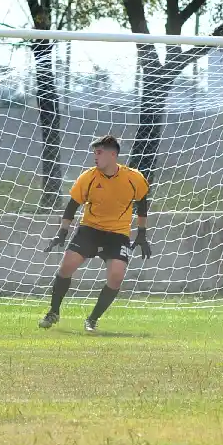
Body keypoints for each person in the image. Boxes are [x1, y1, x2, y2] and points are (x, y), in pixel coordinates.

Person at [39, 134, 150, 333]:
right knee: (66, 267)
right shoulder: (88, 177)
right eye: (94, 153)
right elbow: (72, 206)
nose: (95, 157)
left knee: (116, 277)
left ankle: (92, 319)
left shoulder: (134, 178)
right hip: (90, 230)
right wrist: (62, 232)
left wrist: (141, 233)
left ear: (113, 155)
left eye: (99, 152)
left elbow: (142, 203)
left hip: (117, 234)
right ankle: (53, 311)